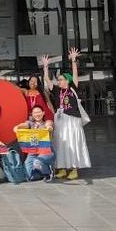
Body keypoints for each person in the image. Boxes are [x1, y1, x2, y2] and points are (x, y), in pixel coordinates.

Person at [42, 48, 91, 180]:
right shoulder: (57, 91)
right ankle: (62, 168)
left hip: (73, 119)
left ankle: (74, 169)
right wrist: (46, 67)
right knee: (60, 143)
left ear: (67, 81)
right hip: (60, 120)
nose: (58, 81)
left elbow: (75, 74)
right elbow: (47, 79)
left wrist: (73, 60)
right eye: (58, 80)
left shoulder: (73, 88)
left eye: (61, 79)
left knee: (73, 142)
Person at [14, 105, 55, 182]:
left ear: (43, 113)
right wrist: (17, 127)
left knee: (37, 161)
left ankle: (48, 173)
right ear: (32, 114)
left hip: (46, 151)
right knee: (28, 175)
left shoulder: (47, 122)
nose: (37, 114)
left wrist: (49, 128)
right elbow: (24, 125)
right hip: (33, 151)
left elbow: (49, 125)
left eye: (39, 112)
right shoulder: (30, 123)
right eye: (35, 113)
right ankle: (40, 173)